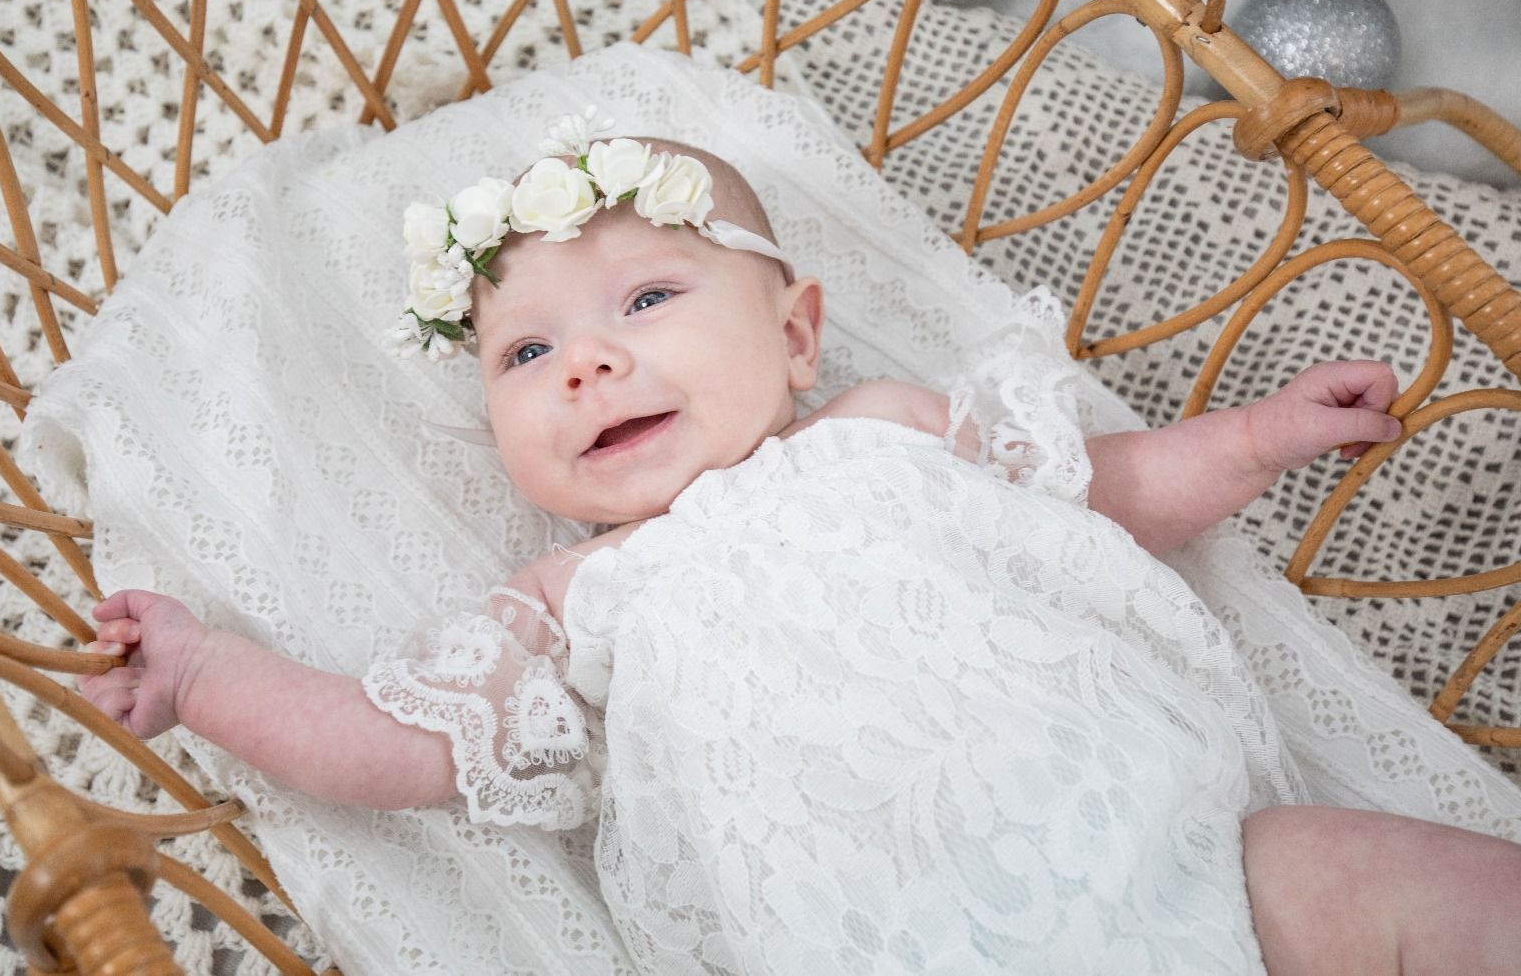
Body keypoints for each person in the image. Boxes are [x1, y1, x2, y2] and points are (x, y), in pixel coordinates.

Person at [79, 118, 1521, 975]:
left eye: (647, 299)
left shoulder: (889, 427)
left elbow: (1096, 489)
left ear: (797, 333)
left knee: (1417, 891)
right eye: (525, 352)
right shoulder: (576, 595)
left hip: (1186, 849)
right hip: (875, 941)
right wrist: (208, 675)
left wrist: (1257, 438)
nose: (586, 362)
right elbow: (400, 744)